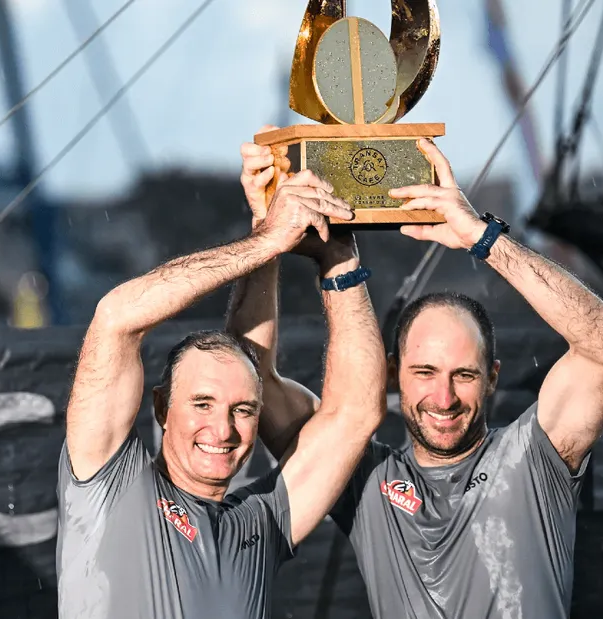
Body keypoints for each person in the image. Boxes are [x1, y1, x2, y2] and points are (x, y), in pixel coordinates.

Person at [231, 130, 603, 618]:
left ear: (493, 378)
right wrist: (265, 231)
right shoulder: (363, 477)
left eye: (463, 374)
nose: (443, 397)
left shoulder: (534, 458)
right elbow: (250, 381)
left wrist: (482, 237)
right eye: (425, 372)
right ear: (395, 374)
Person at [56, 170, 387, 618]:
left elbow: (356, 415)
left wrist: (340, 257)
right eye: (203, 404)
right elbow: (116, 317)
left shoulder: (263, 519)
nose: (223, 428)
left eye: (243, 409)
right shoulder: (111, 486)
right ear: (162, 408)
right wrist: (266, 241)